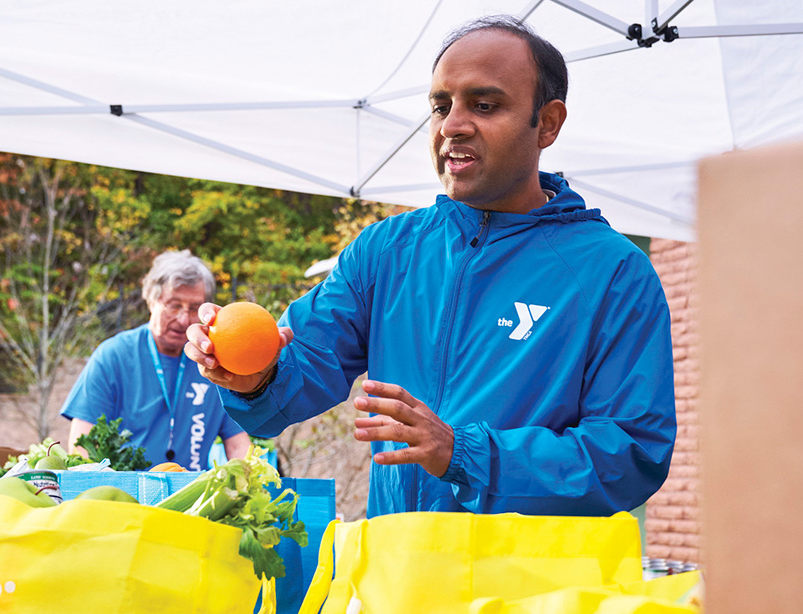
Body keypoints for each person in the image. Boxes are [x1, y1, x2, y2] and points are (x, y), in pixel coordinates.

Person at [185, 16, 676, 516]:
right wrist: (256, 379)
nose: (452, 126)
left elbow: (630, 454)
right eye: (441, 106)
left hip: (534, 589)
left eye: (484, 106)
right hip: (399, 577)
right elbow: (298, 369)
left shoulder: (613, 272)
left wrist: (464, 454)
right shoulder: (387, 250)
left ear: (546, 123)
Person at [61, 249, 250, 470]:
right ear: (151, 300)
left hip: (192, 497)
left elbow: (239, 447)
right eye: (174, 305)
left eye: (194, 308)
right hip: (122, 497)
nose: (183, 319)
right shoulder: (113, 356)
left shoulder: (213, 363)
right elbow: (82, 447)